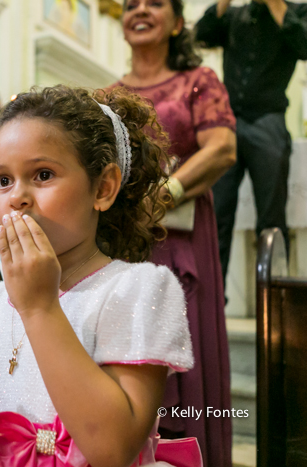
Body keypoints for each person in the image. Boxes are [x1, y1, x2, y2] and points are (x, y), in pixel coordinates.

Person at [0, 86, 199, 466]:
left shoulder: (135, 290)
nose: (16, 197)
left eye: (42, 174)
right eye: (3, 180)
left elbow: (112, 448)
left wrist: (39, 307)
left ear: (102, 188)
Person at [113, 1, 238, 464]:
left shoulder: (198, 81)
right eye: (131, 4)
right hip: (126, 242)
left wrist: (165, 193)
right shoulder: (107, 95)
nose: (140, 10)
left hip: (182, 236)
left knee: (187, 345)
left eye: (155, 3)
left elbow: (223, 147)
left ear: (179, 22)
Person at [195, 0, 307, 286]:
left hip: (268, 120)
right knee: (216, 216)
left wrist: (275, 4)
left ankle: (274, 309)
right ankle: (214, 306)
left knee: (272, 220)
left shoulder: (298, 11)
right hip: (226, 123)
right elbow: (201, 35)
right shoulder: (232, 14)